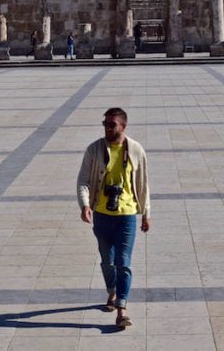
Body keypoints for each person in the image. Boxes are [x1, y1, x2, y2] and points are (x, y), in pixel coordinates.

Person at [77, 107, 150, 330]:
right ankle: (112, 291)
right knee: (107, 261)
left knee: (123, 261)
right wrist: (85, 205)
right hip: (102, 214)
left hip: (127, 215)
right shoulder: (95, 149)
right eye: (105, 124)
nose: (107, 128)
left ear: (123, 126)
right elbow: (83, 180)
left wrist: (146, 213)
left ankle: (122, 309)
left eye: (112, 124)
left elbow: (143, 184)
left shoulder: (136, 150)